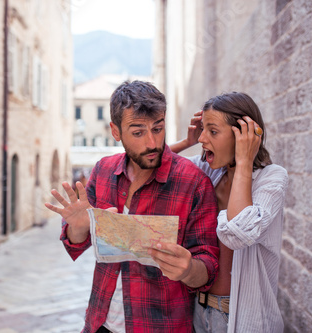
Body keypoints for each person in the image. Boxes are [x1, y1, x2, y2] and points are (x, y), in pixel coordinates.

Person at [45, 80, 219, 333]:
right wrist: (80, 228)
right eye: (138, 132)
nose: (152, 142)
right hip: (100, 321)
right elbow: (76, 242)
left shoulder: (194, 183)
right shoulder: (103, 171)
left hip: (162, 326)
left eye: (158, 129)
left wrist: (189, 269)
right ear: (115, 132)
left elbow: (209, 265)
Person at [170, 92, 288, 333]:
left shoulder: (272, 178)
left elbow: (237, 234)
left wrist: (244, 161)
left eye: (212, 131)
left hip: (243, 316)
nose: (203, 138)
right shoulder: (208, 171)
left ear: (242, 136)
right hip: (198, 312)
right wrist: (186, 142)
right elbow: (153, 165)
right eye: (203, 129)